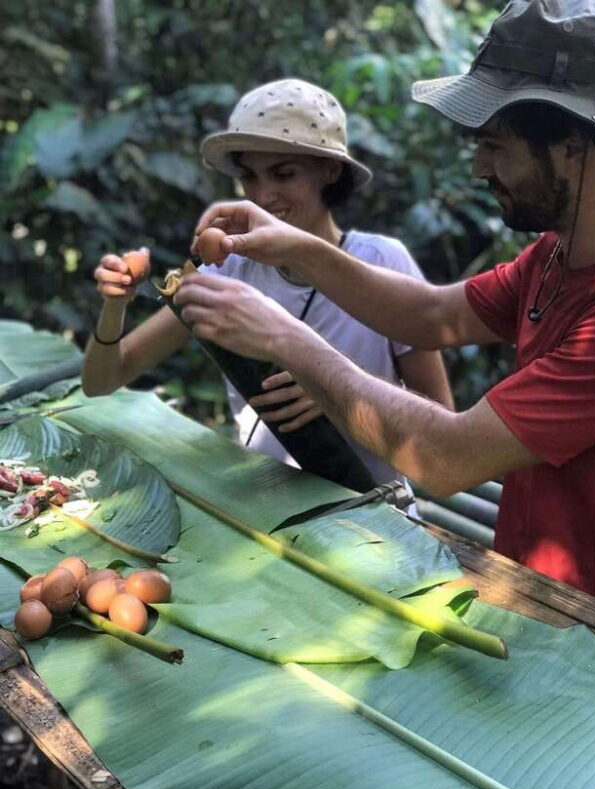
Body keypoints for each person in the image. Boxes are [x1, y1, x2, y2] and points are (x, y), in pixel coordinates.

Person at [175, 0, 595, 596]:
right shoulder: (554, 257)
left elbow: (447, 457)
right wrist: (299, 248)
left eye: (495, 145)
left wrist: (282, 336)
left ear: (570, 148)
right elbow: (432, 315)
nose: (478, 168)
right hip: (534, 587)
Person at [82, 79, 453, 499]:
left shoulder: (384, 262)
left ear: (329, 171)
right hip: (269, 515)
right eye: (249, 177)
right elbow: (104, 379)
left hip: (377, 514)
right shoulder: (226, 271)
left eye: (284, 174)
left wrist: (341, 392)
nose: (262, 195)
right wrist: (115, 305)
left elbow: (441, 424)